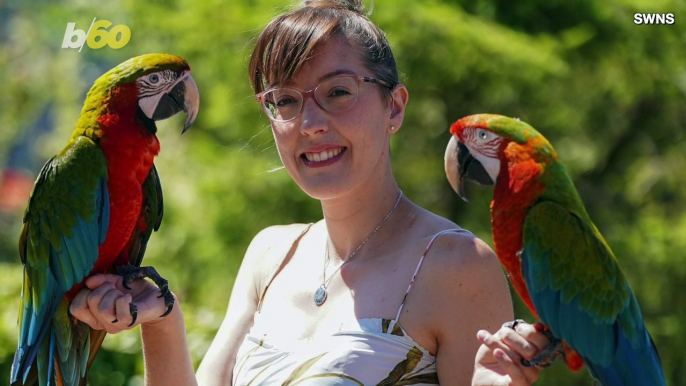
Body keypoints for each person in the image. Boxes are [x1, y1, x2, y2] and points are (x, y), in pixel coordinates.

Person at [70, 1, 551, 384]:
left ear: (394, 107)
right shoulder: (270, 254)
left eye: (338, 92)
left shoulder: (458, 263)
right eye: (285, 101)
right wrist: (159, 319)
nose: (311, 124)